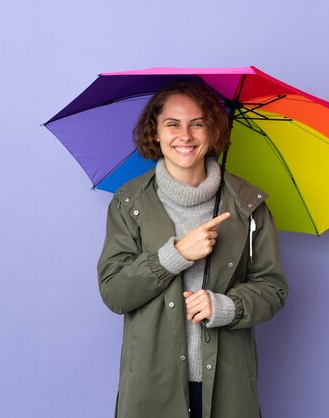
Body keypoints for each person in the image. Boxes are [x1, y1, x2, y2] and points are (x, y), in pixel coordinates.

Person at [97, 80, 288, 418]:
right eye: (172, 123)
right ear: (155, 132)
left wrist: (226, 306)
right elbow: (115, 293)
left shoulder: (248, 205)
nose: (185, 135)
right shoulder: (129, 204)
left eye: (197, 123)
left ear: (212, 131)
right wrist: (177, 255)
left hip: (228, 386)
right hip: (151, 385)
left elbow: (273, 288)